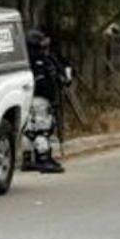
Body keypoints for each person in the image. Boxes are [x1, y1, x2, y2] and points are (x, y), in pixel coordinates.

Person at [24, 28, 72, 174]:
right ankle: (43, 159)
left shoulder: (26, 60)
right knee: (43, 129)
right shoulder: (41, 60)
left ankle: (28, 158)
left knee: (29, 130)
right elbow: (46, 81)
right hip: (40, 99)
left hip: (27, 99)